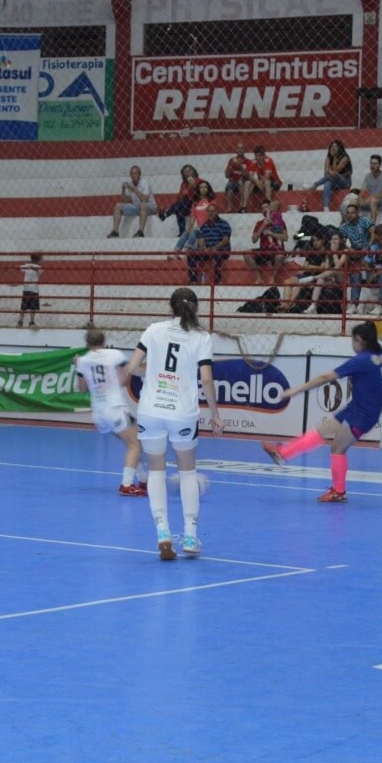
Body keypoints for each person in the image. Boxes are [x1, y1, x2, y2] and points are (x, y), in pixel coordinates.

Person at [262, 321, 382, 503]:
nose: (352, 344)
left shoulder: (361, 361)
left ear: (360, 340)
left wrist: (295, 390)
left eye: (353, 340)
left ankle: (338, 491)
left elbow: (325, 377)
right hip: (356, 408)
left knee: (337, 448)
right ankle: (283, 453)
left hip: (362, 416)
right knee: (322, 430)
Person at [124, 288, 223, 559]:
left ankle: (163, 533)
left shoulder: (153, 330)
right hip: (182, 413)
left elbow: (131, 368)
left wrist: (152, 373)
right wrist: (215, 414)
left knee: (156, 472)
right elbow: (206, 379)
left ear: (171, 307)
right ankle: (190, 536)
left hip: (150, 410)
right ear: (196, 308)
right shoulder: (201, 337)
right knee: (188, 472)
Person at [74, 328, 148, 496]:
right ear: (104, 341)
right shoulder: (115, 355)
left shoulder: (82, 361)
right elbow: (123, 380)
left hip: (99, 413)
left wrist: (78, 366)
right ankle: (127, 484)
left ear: (87, 343)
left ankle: (144, 479)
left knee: (132, 442)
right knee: (135, 445)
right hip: (115, 408)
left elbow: (82, 388)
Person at [243, 199, 288, 285]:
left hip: (276, 250)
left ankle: (272, 278)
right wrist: (264, 225)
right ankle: (259, 278)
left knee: (280, 256)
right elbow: (254, 239)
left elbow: (285, 238)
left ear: (271, 208)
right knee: (246, 254)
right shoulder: (259, 223)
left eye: (267, 207)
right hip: (264, 250)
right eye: (262, 208)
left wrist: (271, 233)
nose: (265, 209)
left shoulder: (280, 221)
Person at [187, 206, 231, 285]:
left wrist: (212, 248)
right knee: (191, 253)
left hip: (221, 249)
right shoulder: (204, 225)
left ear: (217, 212)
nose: (211, 213)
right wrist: (201, 247)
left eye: (213, 211)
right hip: (208, 249)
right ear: (207, 213)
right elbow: (201, 239)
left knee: (217, 252)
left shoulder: (224, 224)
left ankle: (218, 280)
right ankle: (193, 280)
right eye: (209, 211)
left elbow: (225, 241)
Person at [108, 166, 156, 238]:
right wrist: (123, 190)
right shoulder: (130, 184)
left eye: (135, 173)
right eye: (131, 174)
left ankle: (141, 231)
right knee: (118, 206)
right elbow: (125, 201)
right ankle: (115, 231)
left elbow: (145, 200)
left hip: (149, 207)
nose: (133, 175)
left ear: (139, 174)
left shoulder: (144, 183)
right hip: (136, 207)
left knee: (143, 204)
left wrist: (135, 189)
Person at [157, 164, 204, 236]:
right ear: (183, 174)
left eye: (189, 171)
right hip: (184, 205)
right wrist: (184, 193)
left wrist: (191, 187)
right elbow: (179, 197)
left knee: (182, 203)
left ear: (193, 171)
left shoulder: (200, 181)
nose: (188, 173)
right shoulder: (184, 184)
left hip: (196, 203)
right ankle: (182, 233)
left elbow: (199, 196)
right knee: (179, 209)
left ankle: (166, 214)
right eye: (185, 172)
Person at [174, 180, 216, 254]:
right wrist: (189, 228)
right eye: (201, 187)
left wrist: (202, 226)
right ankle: (175, 253)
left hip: (209, 227)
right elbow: (193, 216)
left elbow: (214, 216)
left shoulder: (211, 201)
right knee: (186, 232)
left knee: (194, 230)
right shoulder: (195, 202)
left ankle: (186, 251)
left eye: (205, 187)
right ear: (198, 189)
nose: (203, 189)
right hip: (198, 228)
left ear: (208, 189)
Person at [312, 140, 353, 211]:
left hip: (345, 182)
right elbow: (326, 173)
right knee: (327, 183)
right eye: (332, 147)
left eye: (336, 147)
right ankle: (326, 207)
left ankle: (315, 184)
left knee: (333, 176)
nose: (333, 148)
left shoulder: (345, 158)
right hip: (334, 182)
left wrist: (334, 158)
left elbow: (335, 172)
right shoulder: (328, 158)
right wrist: (330, 171)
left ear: (340, 148)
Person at [241, 145, 282, 211]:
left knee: (267, 182)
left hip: (275, 182)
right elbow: (250, 177)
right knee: (247, 183)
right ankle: (244, 207)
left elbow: (267, 177)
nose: (258, 158)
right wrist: (256, 181)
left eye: (259, 156)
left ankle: (269, 204)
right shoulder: (254, 162)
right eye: (256, 156)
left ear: (264, 155)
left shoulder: (268, 161)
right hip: (260, 182)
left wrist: (257, 181)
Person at [360, 154, 382, 222]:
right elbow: (362, 191)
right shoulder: (367, 176)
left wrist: (370, 198)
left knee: (373, 200)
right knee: (353, 202)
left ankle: (372, 225)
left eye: (375, 164)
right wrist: (359, 199)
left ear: (380, 165)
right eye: (371, 163)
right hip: (370, 201)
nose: (372, 166)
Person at [18, 254, 42, 327]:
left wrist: (30, 267)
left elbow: (39, 271)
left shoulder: (36, 267)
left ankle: (25, 321)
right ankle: (24, 321)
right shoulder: (27, 265)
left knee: (28, 307)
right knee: (26, 307)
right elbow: (20, 268)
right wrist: (29, 266)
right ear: (38, 260)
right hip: (31, 289)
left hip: (30, 289)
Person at [224, 143, 250, 211]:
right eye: (238, 148)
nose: (240, 150)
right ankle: (229, 208)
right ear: (236, 150)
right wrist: (232, 166)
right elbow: (227, 175)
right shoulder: (232, 160)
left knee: (241, 182)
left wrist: (240, 167)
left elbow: (247, 176)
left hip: (243, 181)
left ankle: (241, 206)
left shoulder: (248, 161)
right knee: (230, 186)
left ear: (244, 150)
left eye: (241, 148)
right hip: (233, 181)